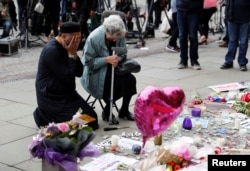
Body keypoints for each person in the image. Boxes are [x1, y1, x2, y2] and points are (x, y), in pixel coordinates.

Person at [33, 21, 99, 130]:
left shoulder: (69, 47)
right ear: (64, 36)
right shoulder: (52, 50)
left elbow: (79, 72)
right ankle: (42, 115)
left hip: (68, 93)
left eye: (79, 38)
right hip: (52, 97)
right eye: (75, 38)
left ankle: (51, 115)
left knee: (92, 119)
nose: (77, 42)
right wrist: (71, 54)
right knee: (83, 123)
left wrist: (74, 54)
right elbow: (67, 77)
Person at [80, 15, 136, 124]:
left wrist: (116, 59)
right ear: (106, 31)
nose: (115, 39)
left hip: (114, 68)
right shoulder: (93, 38)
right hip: (96, 73)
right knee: (112, 84)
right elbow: (87, 62)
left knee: (130, 80)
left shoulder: (119, 34)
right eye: (113, 37)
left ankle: (124, 110)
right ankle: (107, 111)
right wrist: (106, 60)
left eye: (118, 36)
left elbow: (123, 53)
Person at [220, 0, 250, 71]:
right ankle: (229, 61)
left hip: (245, 18)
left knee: (243, 42)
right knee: (232, 40)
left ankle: (242, 62)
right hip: (232, 18)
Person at [176, 0, 204, 70]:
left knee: (193, 36)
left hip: (194, 10)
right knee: (182, 36)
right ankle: (183, 60)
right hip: (181, 9)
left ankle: (194, 60)